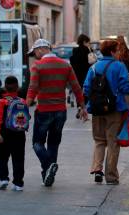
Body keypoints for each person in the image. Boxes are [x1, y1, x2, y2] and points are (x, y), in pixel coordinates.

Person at [26, 39, 88, 187]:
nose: (34, 56)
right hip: (61, 111)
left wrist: (24, 107)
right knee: (54, 143)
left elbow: (32, 88)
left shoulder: (38, 66)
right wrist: (83, 107)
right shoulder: (65, 65)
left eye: (35, 52)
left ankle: (48, 165)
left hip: (44, 111)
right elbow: (76, 87)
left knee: (37, 143)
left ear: (41, 49)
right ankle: (47, 176)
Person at [83, 40, 129, 185]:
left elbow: (86, 88)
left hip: (97, 109)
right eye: (117, 50)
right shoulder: (119, 66)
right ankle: (111, 176)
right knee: (113, 142)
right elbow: (126, 88)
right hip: (114, 109)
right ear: (112, 52)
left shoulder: (94, 67)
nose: (119, 53)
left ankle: (97, 169)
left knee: (99, 140)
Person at [0, 76, 27, 191]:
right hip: (19, 133)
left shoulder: (3, 102)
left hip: (4, 133)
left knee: (2, 156)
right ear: (17, 87)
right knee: (18, 158)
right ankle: (18, 183)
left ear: (4, 87)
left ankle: (4, 178)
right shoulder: (22, 101)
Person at [70, 34, 92, 115]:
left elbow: (72, 61)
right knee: (86, 90)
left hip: (77, 74)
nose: (89, 44)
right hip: (86, 74)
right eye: (88, 42)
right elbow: (92, 61)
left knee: (78, 91)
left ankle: (79, 106)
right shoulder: (88, 50)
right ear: (84, 42)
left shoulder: (75, 50)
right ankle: (84, 107)